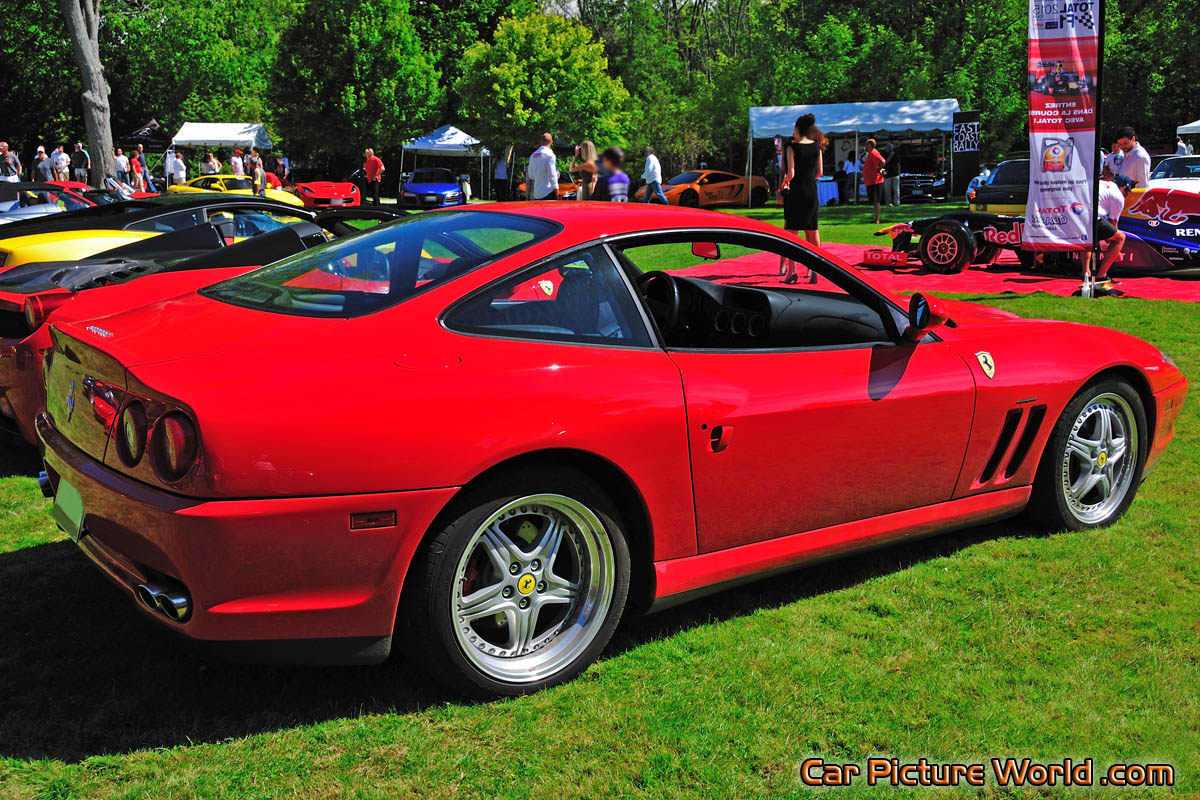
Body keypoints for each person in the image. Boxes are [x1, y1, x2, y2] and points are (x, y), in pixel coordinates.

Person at [778, 113, 824, 282]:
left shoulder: (791, 147)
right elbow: (820, 172)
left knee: (792, 233)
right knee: (813, 231)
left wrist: (784, 181)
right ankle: (814, 271)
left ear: (798, 129)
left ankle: (792, 271)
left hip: (796, 191)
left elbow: (791, 173)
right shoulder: (817, 147)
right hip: (811, 190)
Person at [1081, 169, 1129, 284]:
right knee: (1120, 238)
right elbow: (1113, 225)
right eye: (1127, 191)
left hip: (1078, 213)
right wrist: (1117, 253)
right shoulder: (1119, 196)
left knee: (1088, 239)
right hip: (1092, 215)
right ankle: (1101, 276)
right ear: (1124, 187)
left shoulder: (1102, 183)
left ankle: (1086, 274)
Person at [861, 139, 886, 224]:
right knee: (874, 201)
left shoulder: (873, 152)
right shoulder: (871, 153)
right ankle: (876, 218)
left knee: (876, 201)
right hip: (871, 181)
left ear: (870, 145)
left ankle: (877, 220)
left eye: (866, 144)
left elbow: (882, 161)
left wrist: (879, 169)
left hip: (875, 181)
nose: (865, 146)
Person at [527, 133, 558, 200]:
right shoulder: (550, 155)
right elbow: (552, 175)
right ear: (551, 142)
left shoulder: (533, 155)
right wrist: (556, 190)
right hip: (548, 192)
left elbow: (531, 176)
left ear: (541, 142)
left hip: (537, 193)